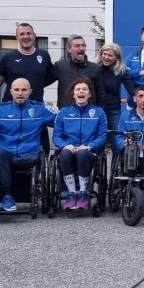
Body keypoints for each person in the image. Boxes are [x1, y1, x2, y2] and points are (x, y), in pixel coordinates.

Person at [0, 78, 56, 212]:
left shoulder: (40, 108)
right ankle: (7, 196)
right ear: (11, 91)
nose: (20, 93)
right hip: (6, 154)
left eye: (24, 90)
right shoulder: (0, 109)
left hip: (31, 153)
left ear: (30, 91)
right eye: (16, 90)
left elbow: (61, 122)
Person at [53, 78, 107, 210]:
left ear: (89, 94)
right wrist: (65, 145)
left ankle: (83, 193)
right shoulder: (63, 112)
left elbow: (102, 136)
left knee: (82, 153)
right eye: (78, 89)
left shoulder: (99, 112)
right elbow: (56, 136)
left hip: (89, 151)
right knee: (64, 154)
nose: (81, 91)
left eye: (84, 89)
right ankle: (71, 193)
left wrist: (90, 146)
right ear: (73, 93)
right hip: (69, 150)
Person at [0, 22, 55, 103]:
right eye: (22, 34)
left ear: (34, 36)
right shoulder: (8, 57)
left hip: (36, 107)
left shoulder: (44, 55)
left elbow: (49, 77)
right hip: (11, 108)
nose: (25, 36)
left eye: (28, 33)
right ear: (17, 37)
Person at [95, 42, 134, 149]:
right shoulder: (94, 68)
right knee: (98, 141)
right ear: (101, 53)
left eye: (110, 55)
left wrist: (143, 97)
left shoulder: (121, 70)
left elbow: (132, 90)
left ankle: (117, 164)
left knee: (117, 142)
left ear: (116, 57)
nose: (106, 57)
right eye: (105, 54)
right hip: (96, 109)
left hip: (113, 110)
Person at [53, 34, 103, 109]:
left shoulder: (95, 68)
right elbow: (42, 81)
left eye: (83, 45)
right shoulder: (60, 66)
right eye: (77, 46)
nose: (81, 48)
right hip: (66, 113)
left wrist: (98, 111)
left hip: (88, 114)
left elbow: (101, 94)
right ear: (69, 49)